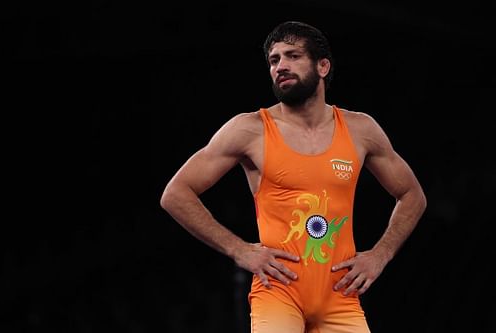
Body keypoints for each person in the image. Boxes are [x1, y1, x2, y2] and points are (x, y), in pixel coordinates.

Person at [160, 21, 427, 333]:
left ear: (323, 66)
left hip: (340, 296)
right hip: (278, 293)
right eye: (274, 60)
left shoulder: (360, 130)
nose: (280, 67)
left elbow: (413, 195)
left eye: (292, 56)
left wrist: (380, 255)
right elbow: (176, 194)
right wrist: (239, 249)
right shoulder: (250, 130)